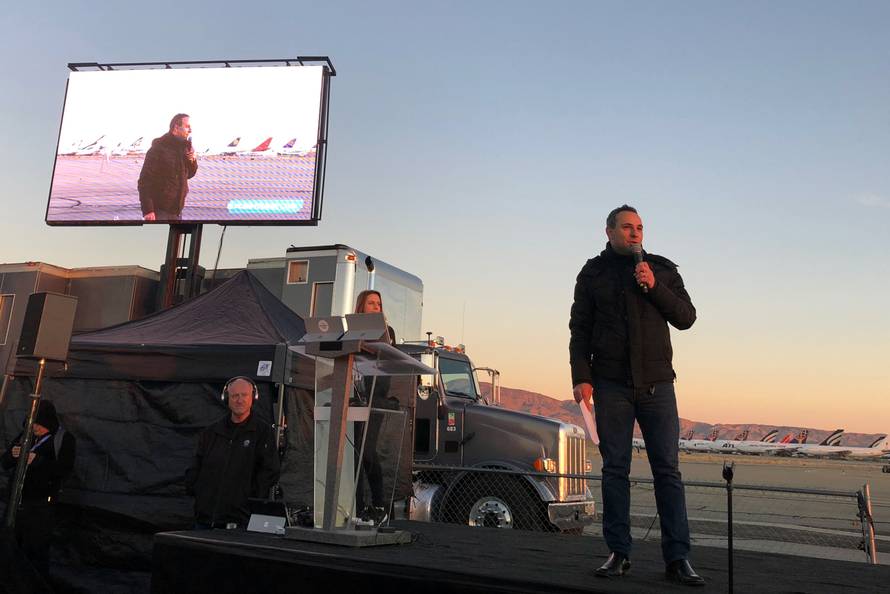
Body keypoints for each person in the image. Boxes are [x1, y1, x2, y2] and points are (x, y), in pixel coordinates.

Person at [569, 205, 704, 586]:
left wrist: (654, 286)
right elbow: (579, 328)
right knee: (615, 470)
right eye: (627, 227)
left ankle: (678, 558)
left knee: (668, 471)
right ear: (609, 231)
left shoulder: (660, 269)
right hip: (611, 384)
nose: (635, 233)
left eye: (640, 227)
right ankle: (619, 553)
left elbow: (686, 317)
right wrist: (582, 376)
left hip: (658, 384)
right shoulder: (593, 273)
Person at [185, 377, 280, 529]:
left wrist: (248, 499)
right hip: (204, 520)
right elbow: (195, 466)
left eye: (244, 395)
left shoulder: (262, 433)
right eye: (235, 395)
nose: (239, 400)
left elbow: (270, 471)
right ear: (226, 398)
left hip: (239, 522)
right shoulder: (211, 432)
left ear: (253, 398)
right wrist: (199, 492)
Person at [1, 400, 76, 577]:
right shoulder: (24, 436)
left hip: (41, 506)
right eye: (32, 423)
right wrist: (13, 456)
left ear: (48, 423)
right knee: (11, 546)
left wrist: (37, 461)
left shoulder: (63, 440)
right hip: (16, 503)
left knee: (36, 550)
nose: (35, 428)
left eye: (39, 424)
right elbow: (5, 463)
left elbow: (64, 470)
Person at [352, 289, 397, 525]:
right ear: (361, 306)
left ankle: (380, 504)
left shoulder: (386, 332)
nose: (376, 307)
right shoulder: (350, 329)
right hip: (351, 395)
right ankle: (356, 508)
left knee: (366, 451)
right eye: (371, 303)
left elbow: (389, 359)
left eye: (379, 303)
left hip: (375, 397)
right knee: (353, 454)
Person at [137, 113, 197, 221]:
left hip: (177, 211)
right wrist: (148, 210)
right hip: (159, 211)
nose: (190, 130)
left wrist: (192, 161)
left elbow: (189, 175)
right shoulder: (159, 149)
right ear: (176, 127)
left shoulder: (184, 148)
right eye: (187, 126)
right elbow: (144, 181)